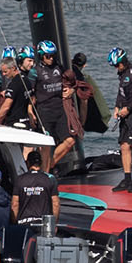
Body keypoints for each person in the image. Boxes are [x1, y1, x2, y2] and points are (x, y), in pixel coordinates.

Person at [30, 40, 75, 172]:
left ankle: (48, 166)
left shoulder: (58, 67)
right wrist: (30, 110)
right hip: (44, 111)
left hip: (59, 109)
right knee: (46, 146)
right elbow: (30, 93)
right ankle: (45, 172)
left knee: (70, 141)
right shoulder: (36, 71)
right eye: (47, 56)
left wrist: (71, 90)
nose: (51, 58)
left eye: (53, 55)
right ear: (41, 55)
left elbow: (71, 81)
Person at [108, 46, 132, 193]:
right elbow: (121, 93)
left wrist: (128, 108)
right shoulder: (122, 74)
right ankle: (127, 178)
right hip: (124, 113)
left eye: (117, 65)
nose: (116, 68)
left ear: (123, 61)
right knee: (124, 145)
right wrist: (117, 107)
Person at [11, 149, 59, 229]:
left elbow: (14, 204)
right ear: (41, 163)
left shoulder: (20, 180)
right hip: (44, 225)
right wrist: (53, 224)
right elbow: (56, 204)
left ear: (28, 163)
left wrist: (14, 224)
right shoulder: (49, 179)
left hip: (24, 224)